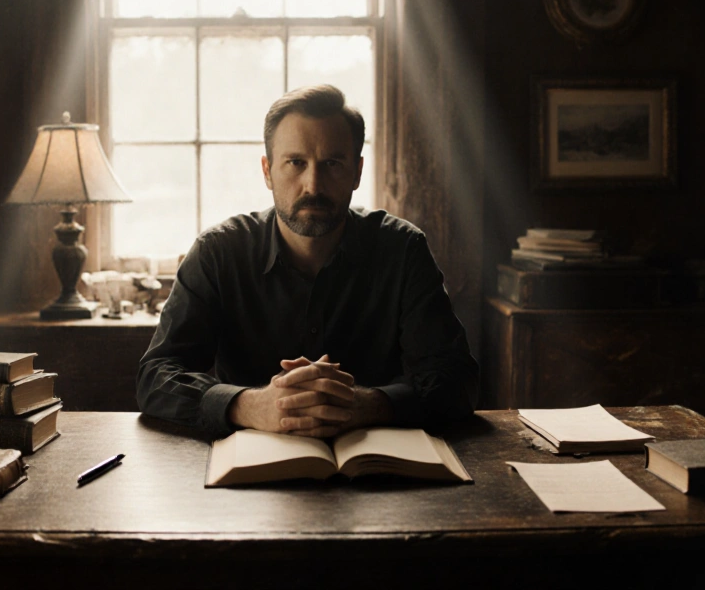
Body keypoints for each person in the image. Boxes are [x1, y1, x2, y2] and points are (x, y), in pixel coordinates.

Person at [136, 85, 478, 438]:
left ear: (357, 172)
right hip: (247, 468)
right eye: (295, 163)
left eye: (332, 163)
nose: (313, 184)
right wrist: (250, 406)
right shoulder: (217, 253)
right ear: (267, 171)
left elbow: (457, 378)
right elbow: (156, 376)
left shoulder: (403, 250)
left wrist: (366, 404)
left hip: (376, 470)